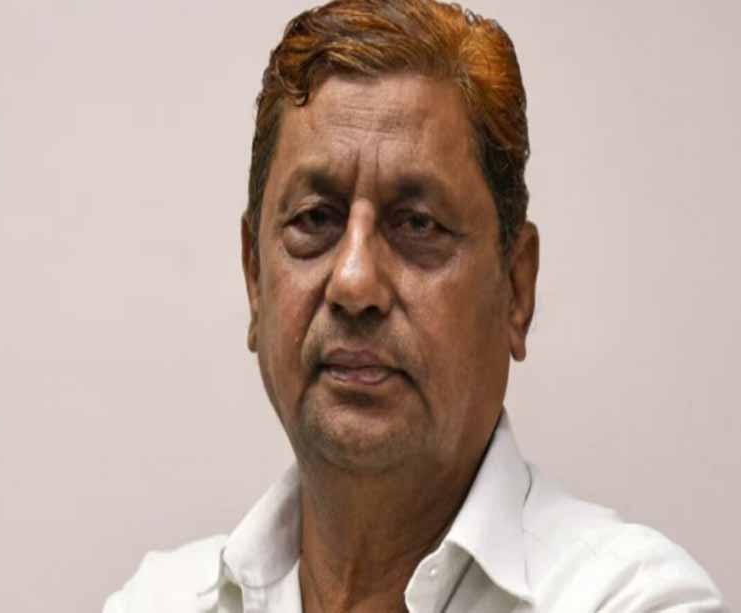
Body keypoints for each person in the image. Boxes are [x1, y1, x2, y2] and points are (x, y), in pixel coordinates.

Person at [103, 1, 726, 611]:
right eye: (315, 220)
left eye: (418, 224)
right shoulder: (158, 601)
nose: (354, 283)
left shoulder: (633, 599)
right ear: (255, 279)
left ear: (516, 288)